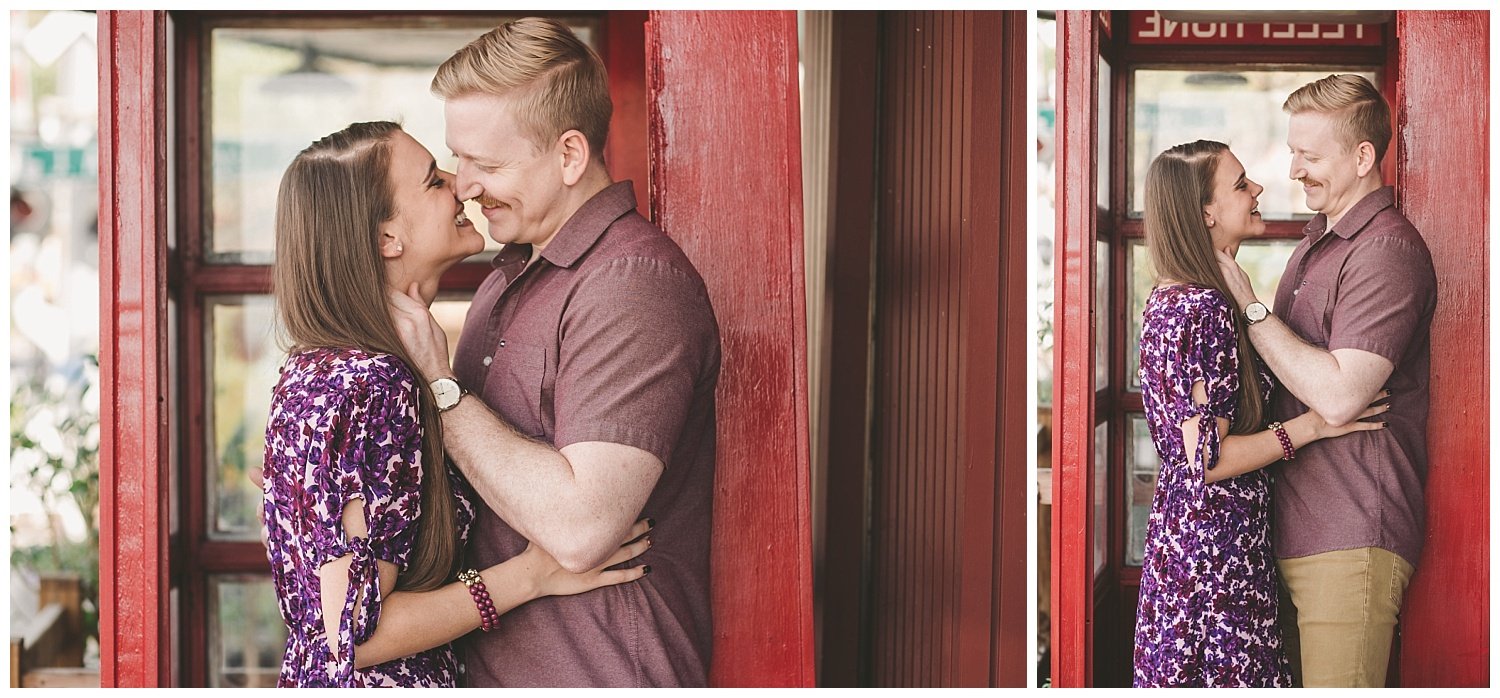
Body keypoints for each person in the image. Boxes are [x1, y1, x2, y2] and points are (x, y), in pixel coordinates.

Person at [385, 18, 722, 687]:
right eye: (459, 159)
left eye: (487, 162)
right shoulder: (503, 275)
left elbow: (581, 529)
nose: (464, 186)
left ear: (569, 155)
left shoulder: (633, 284)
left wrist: (439, 387)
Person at [262, 120, 651, 687]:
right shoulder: (376, 384)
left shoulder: (317, 368)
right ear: (386, 240)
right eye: (432, 180)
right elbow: (355, 634)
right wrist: (531, 576)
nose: (460, 186)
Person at [1132, 140, 1387, 687]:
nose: (1258, 191)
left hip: (1203, 547)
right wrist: (1317, 423)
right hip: (1212, 560)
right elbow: (1210, 460)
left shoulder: (1177, 299)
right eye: (1241, 184)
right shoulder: (1200, 309)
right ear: (1206, 212)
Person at [1216, 74, 1437, 687]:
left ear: (1363, 157)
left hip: (1350, 534)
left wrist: (1253, 309)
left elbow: (1340, 395)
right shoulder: (1319, 244)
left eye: (1310, 156)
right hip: (1292, 527)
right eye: (1293, 152)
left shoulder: (1386, 250)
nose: (1293, 171)